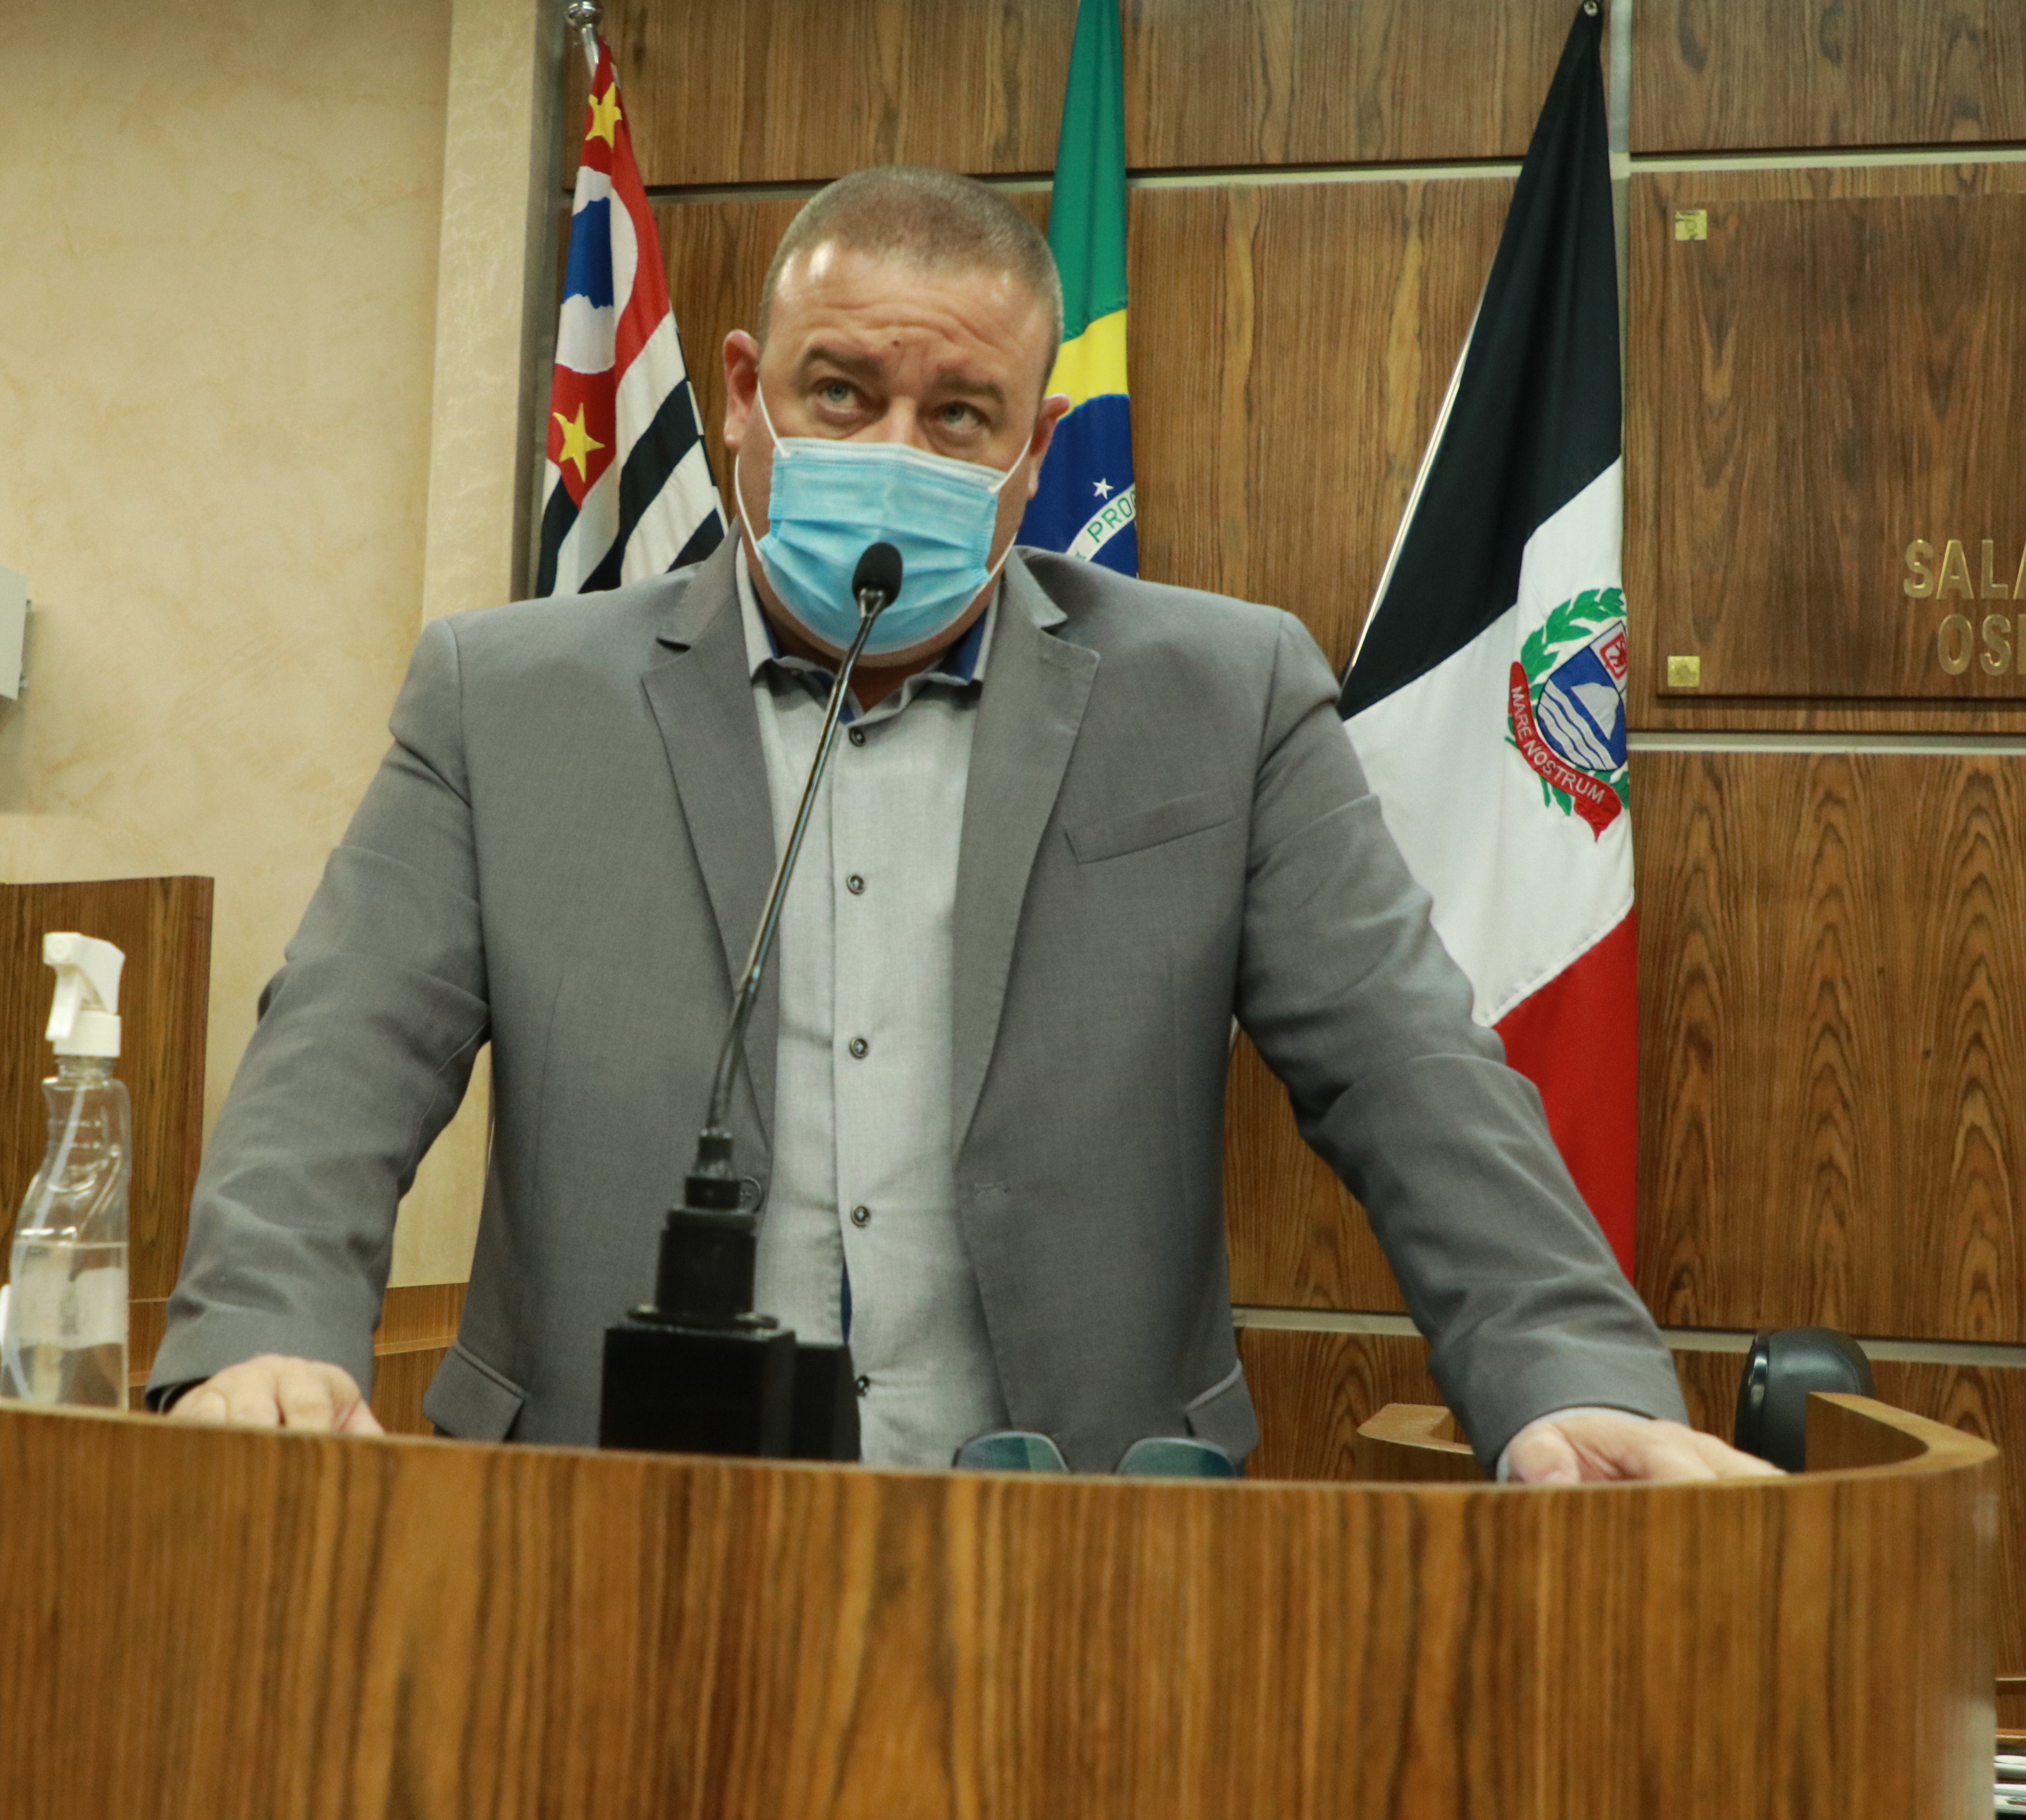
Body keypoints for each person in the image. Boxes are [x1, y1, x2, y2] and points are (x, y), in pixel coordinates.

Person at [149, 166, 1771, 1485]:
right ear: (743, 396)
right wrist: (264, 1337)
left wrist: (1568, 1374)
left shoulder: (1223, 696)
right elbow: (342, 1051)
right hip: (603, 1523)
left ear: (1033, 451)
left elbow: (1409, 1068)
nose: (892, 453)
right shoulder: (506, 702)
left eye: (958, 416)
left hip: (1076, 1539)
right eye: (840, 393)